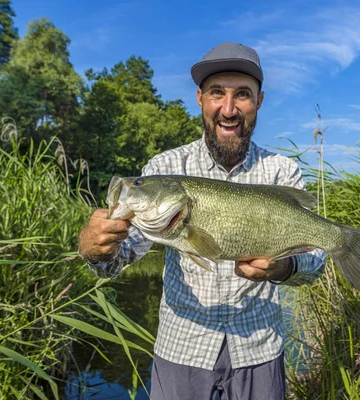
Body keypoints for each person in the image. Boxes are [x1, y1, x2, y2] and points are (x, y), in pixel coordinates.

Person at [78, 41, 327, 400]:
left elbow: (316, 261)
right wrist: (95, 249)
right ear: (199, 98)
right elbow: (119, 259)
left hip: (259, 350)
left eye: (242, 94)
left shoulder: (282, 171)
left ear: (259, 101)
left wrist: (283, 268)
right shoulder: (164, 168)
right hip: (182, 350)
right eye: (216, 93)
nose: (228, 109)